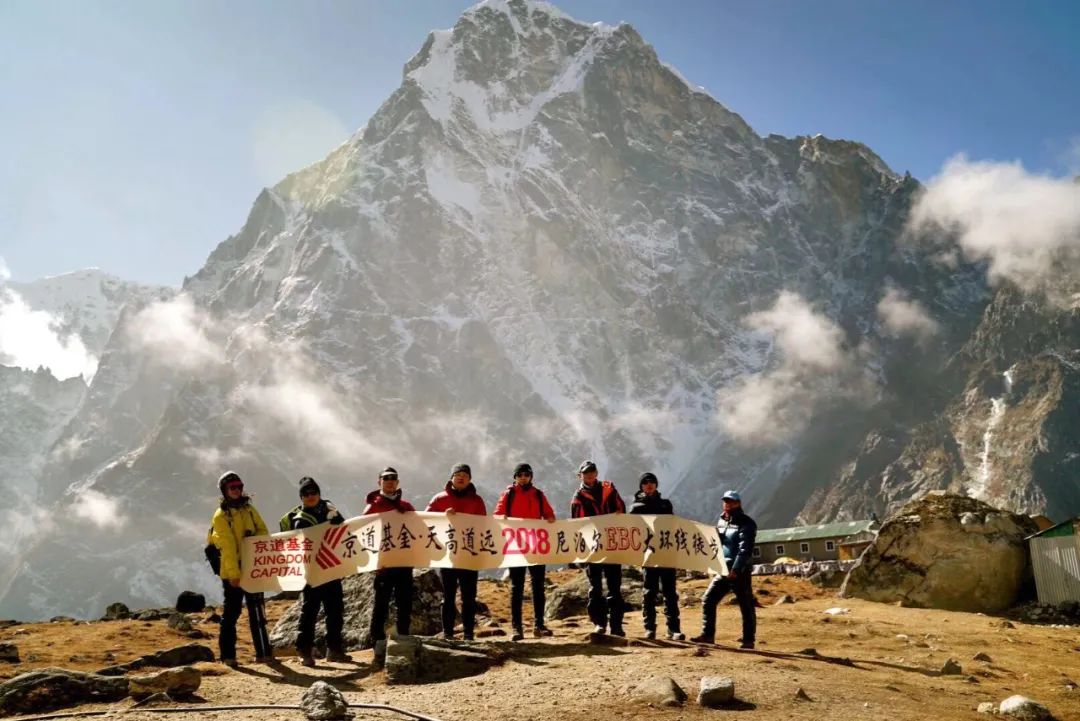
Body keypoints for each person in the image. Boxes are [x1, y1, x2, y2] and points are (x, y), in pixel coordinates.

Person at [279, 476, 350, 667]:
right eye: (306, 494)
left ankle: (334, 649)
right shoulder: (299, 520)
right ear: (301, 497)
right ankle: (304, 651)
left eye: (314, 492)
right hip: (311, 572)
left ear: (319, 494)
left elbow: (343, 531)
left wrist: (337, 521)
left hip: (331, 568)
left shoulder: (329, 509)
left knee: (335, 611)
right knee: (309, 612)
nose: (311, 496)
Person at [208, 470, 274, 667]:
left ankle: (264, 653)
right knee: (232, 613)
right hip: (233, 572)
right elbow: (226, 547)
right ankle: (228, 656)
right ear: (224, 490)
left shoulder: (249, 509)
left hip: (252, 568)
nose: (236, 490)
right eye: (232, 487)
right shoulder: (221, 516)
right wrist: (234, 574)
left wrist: (254, 543)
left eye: (239, 487)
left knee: (257, 612)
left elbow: (263, 531)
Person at [493, 462, 556, 641]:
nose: (523, 477)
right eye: (520, 474)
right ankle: (517, 628)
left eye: (526, 474)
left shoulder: (538, 494)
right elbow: (497, 514)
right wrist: (501, 517)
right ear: (515, 477)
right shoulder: (508, 494)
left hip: (536, 545)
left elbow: (549, 514)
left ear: (530, 476)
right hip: (516, 546)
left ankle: (539, 625)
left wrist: (550, 519)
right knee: (516, 587)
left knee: (538, 587)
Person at [426, 463, 487, 641]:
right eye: (457, 474)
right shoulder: (439, 500)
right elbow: (426, 522)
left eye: (465, 475)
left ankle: (469, 633)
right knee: (448, 596)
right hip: (448, 555)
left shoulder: (477, 501)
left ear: (470, 479)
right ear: (451, 477)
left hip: (469, 554)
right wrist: (442, 517)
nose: (461, 477)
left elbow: (483, 526)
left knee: (469, 597)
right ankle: (448, 633)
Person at [691, 490, 758, 649]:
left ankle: (748, 640)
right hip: (723, 569)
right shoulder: (721, 521)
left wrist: (736, 568)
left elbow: (744, 549)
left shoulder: (747, 523)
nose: (728, 505)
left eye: (732, 502)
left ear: (738, 503)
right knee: (708, 599)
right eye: (726, 502)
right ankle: (708, 636)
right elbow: (717, 544)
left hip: (739, 571)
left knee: (745, 605)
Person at [569, 460, 626, 636]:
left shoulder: (609, 489)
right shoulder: (577, 498)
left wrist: (619, 513)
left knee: (615, 586)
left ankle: (616, 626)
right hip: (592, 548)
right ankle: (599, 624)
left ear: (597, 473)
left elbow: (621, 509)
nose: (590, 475)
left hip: (611, 544)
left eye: (592, 471)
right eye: (586, 472)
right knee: (596, 587)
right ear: (580, 476)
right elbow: (577, 525)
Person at [629, 472, 685, 641]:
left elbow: (673, 527)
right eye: (645, 482)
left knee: (670, 592)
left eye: (652, 481)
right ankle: (649, 628)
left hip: (667, 554)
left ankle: (673, 629)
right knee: (649, 592)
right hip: (648, 555)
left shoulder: (665, 504)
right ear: (641, 486)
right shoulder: (635, 508)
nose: (649, 484)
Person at [363, 467, 416, 642]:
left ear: (398, 482)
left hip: (404, 563)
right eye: (386, 478)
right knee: (381, 605)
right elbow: (364, 533)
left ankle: (403, 638)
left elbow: (418, 530)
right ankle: (377, 643)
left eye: (393, 478)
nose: (390, 481)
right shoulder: (373, 507)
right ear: (379, 482)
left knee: (405, 604)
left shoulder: (407, 506)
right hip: (383, 565)